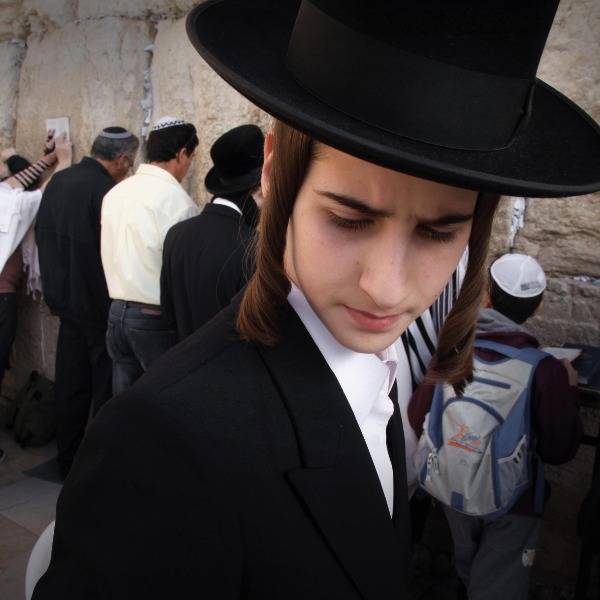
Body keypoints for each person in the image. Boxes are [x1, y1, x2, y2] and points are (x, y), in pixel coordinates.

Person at [33, 1, 600, 599]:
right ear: (274, 174)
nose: (385, 287)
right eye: (349, 219)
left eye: (438, 233)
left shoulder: (378, 379)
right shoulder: (160, 447)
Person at [408, 253, 582, 600]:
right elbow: (559, 450)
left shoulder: (453, 350)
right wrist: (570, 389)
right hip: (512, 502)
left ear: (487, 295)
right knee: (498, 584)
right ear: (537, 308)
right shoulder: (545, 370)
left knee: (470, 570)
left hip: (451, 486)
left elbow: (417, 415)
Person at [35, 126, 139, 478]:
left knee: (70, 384)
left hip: (64, 303)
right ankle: (97, 468)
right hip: (97, 306)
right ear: (122, 159)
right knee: (103, 388)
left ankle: (68, 460)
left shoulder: (60, 182)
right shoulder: (107, 191)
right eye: (130, 163)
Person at [101, 117, 200, 394]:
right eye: (191, 157)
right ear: (181, 154)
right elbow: (180, 271)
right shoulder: (177, 202)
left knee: (125, 404)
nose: (189, 165)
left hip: (116, 313)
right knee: (164, 399)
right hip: (151, 319)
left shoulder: (115, 192)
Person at [161, 124, 264, 340]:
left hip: (186, 366)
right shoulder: (252, 246)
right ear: (259, 189)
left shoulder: (176, 235)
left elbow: (168, 319)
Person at [0, 135, 66, 467]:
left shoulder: (6, 196)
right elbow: (40, 192)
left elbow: (18, 179)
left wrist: (45, 159)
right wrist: (63, 162)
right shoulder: (12, 203)